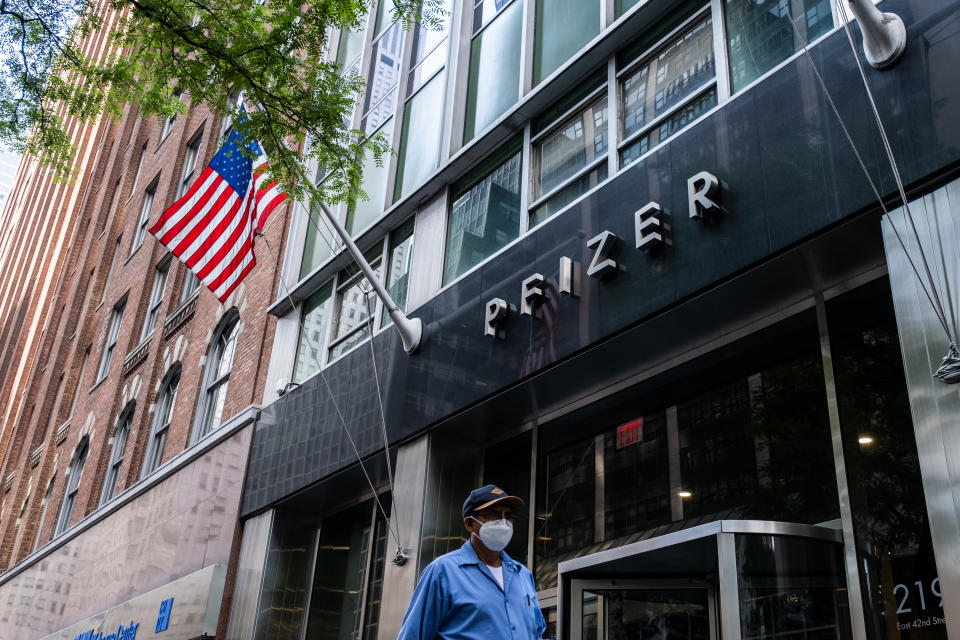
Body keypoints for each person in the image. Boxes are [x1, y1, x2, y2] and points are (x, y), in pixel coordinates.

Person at [397, 484, 546, 639]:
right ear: (469, 523)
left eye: (507, 516)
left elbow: (536, 635)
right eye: (494, 515)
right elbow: (412, 635)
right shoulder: (442, 572)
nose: (503, 523)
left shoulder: (523, 575)